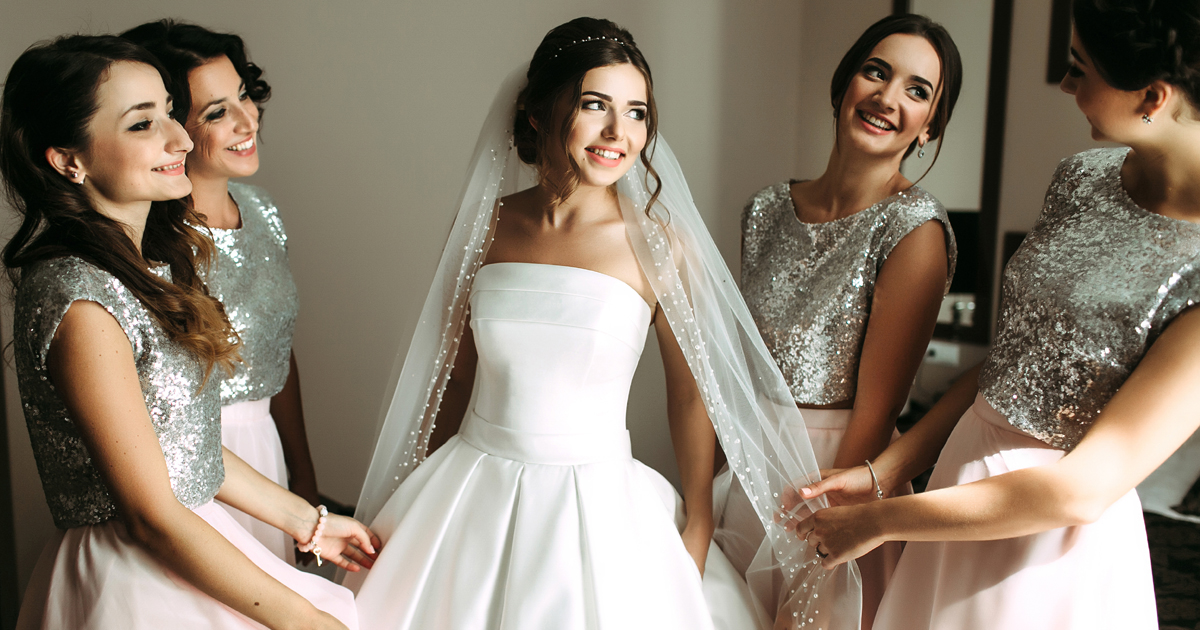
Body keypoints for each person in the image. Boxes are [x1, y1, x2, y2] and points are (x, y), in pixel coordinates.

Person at [347, 17, 860, 630]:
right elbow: (454, 378)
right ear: (540, 112)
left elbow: (691, 390)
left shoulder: (661, 243)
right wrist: (417, 499)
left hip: (598, 502)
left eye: (637, 112)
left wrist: (698, 517)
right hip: (472, 483)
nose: (620, 133)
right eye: (595, 106)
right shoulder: (486, 224)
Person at [788, 1, 1200, 628]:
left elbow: (1081, 490)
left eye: (1078, 69)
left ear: (1152, 95)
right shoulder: (1083, 178)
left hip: (1044, 533)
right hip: (957, 482)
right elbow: (1007, 365)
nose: (1066, 84)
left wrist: (880, 521)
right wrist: (887, 471)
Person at [2, 35, 376, 630]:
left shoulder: (141, 268)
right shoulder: (79, 297)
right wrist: (305, 620)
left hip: (188, 543)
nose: (179, 138)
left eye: (171, 113)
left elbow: (183, 446)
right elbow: (152, 514)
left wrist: (308, 521)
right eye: (142, 124)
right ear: (68, 159)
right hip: (134, 579)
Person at [715, 14, 959, 627]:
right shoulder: (766, 209)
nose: (887, 97)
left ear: (929, 127)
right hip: (747, 467)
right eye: (876, 72)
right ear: (843, 84)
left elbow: (877, 417)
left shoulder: (915, 229)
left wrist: (821, 533)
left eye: (916, 90)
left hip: (835, 479)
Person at [121, 20, 319, 563]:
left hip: (267, 456)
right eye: (215, 112)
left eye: (243, 96)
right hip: (191, 461)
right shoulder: (146, 245)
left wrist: (303, 479)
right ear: (173, 127)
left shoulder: (263, 213)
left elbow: (276, 350)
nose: (246, 119)